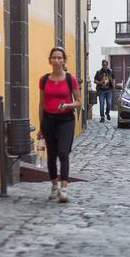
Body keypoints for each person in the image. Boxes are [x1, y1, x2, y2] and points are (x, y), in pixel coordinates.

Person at [38, 47, 82, 203]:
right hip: (49, 120)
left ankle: (64, 189)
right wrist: (41, 126)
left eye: (59, 58)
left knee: (63, 153)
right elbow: (41, 103)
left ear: (64, 61)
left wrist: (69, 105)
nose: (57, 61)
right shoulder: (44, 80)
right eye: (54, 58)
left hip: (66, 120)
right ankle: (54, 186)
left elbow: (78, 101)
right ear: (50, 60)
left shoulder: (71, 79)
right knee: (51, 156)